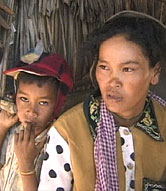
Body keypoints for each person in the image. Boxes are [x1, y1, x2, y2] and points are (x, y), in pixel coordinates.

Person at [38, 10, 166, 191]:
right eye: (104, 67)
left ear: (155, 73)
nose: (113, 82)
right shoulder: (68, 131)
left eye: (127, 69)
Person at [0, 49, 73, 191]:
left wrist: (26, 165)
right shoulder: (13, 131)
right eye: (24, 99)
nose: (31, 111)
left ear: (58, 105)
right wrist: (2, 128)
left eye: (43, 103)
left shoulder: (54, 142)